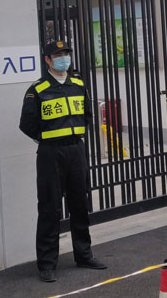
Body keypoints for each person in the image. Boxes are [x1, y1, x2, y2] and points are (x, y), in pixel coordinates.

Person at [19, 40, 107, 283]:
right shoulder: (37, 89)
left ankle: (84, 255)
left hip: (76, 150)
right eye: (57, 55)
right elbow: (27, 123)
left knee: (80, 204)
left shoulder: (78, 84)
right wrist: (48, 138)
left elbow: (87, 115)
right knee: (50, 208)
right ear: (47, 60)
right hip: (51, 153)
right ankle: (47, 264)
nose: (63, 58)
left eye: (66, 54)